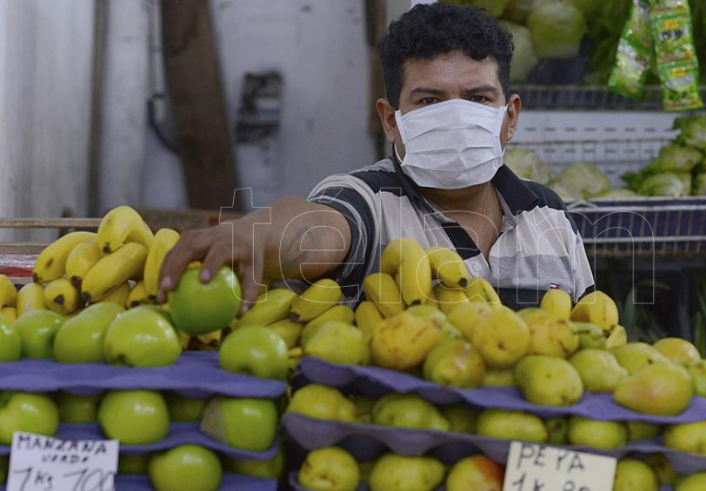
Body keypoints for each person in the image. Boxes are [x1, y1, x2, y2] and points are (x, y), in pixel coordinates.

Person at [158, 3, 594, 311]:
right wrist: (259, 234)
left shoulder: (549, 215)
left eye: (478, 98)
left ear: (509, 116)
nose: (457, 116)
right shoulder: (368, 200)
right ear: (391, 120)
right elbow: (318, 225)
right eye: (429, 101)